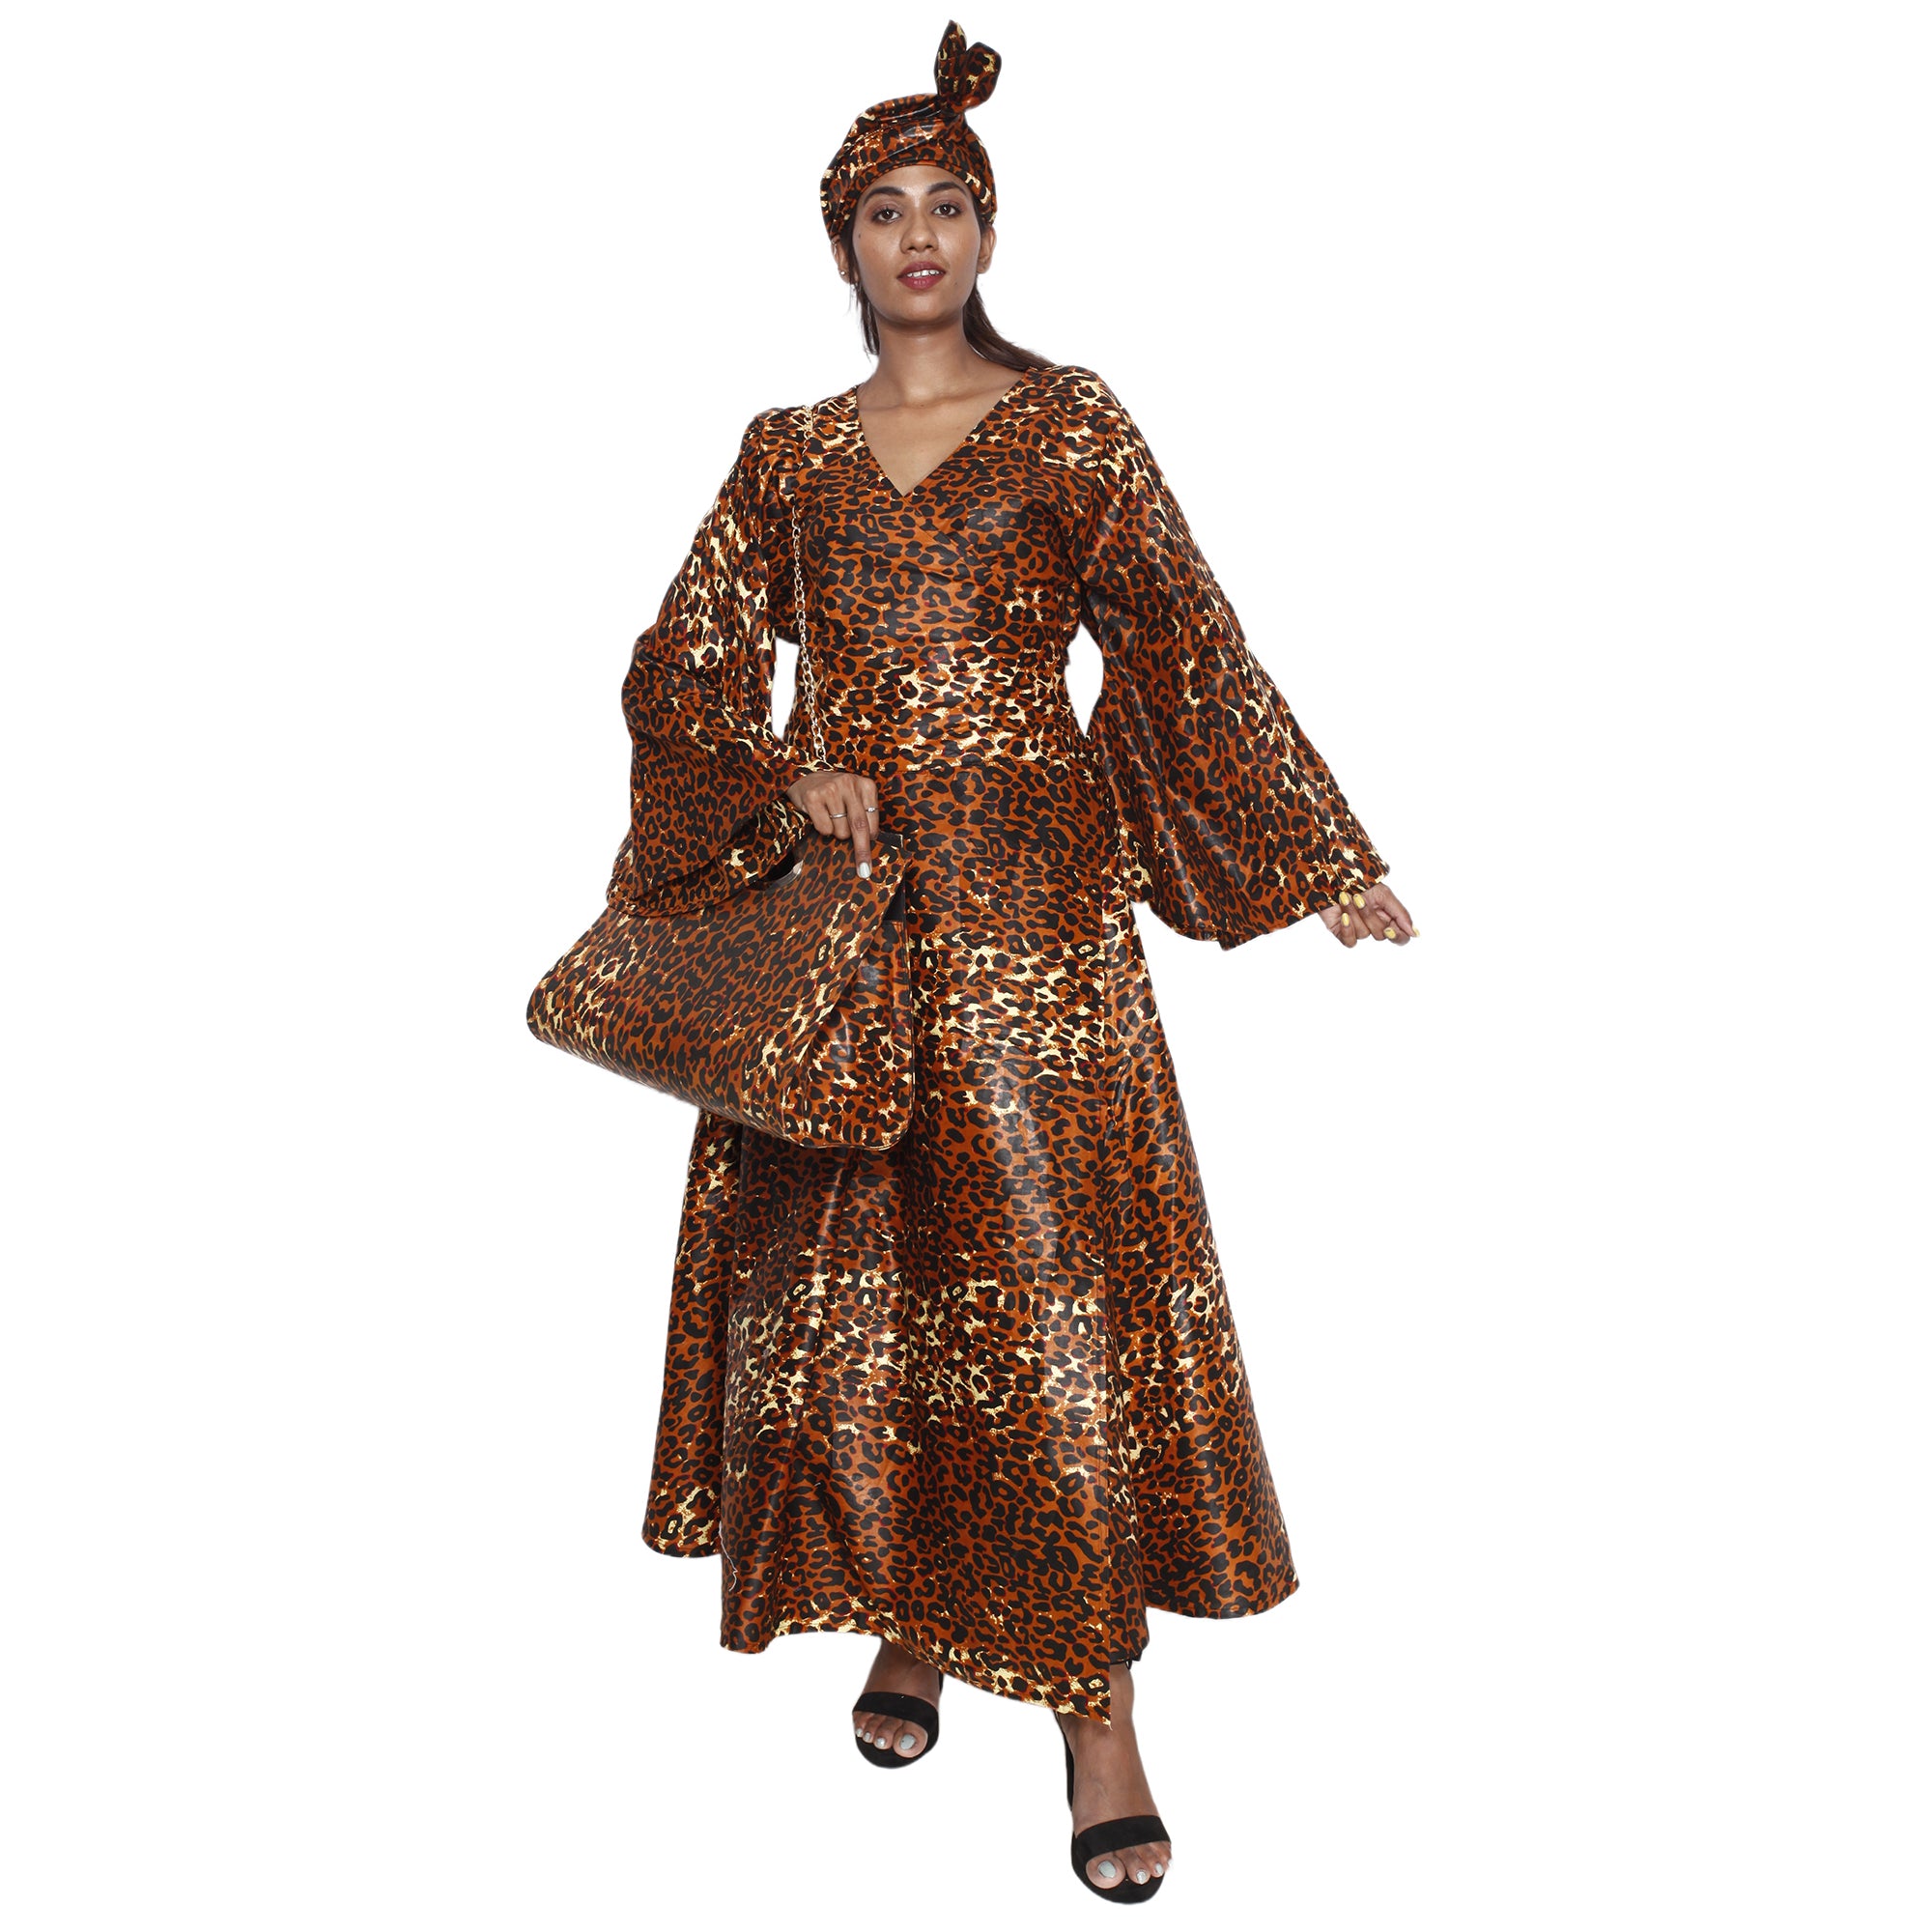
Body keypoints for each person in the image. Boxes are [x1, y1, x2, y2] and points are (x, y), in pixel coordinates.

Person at [611, 21, 1416, 1901]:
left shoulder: (1072, 425)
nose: (916, 237)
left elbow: (1183, 641)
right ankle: (913, 1615)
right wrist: (785, 775)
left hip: (1040, 935)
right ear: (838, 243)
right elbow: (681, 675)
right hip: (850, 944)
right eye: (882, 209)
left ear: (987, 233)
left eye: (946, 206)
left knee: (1045, 1300)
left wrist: (1316, 856)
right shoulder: (789, 455)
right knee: (875, 1293)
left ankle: (1098, 1717)